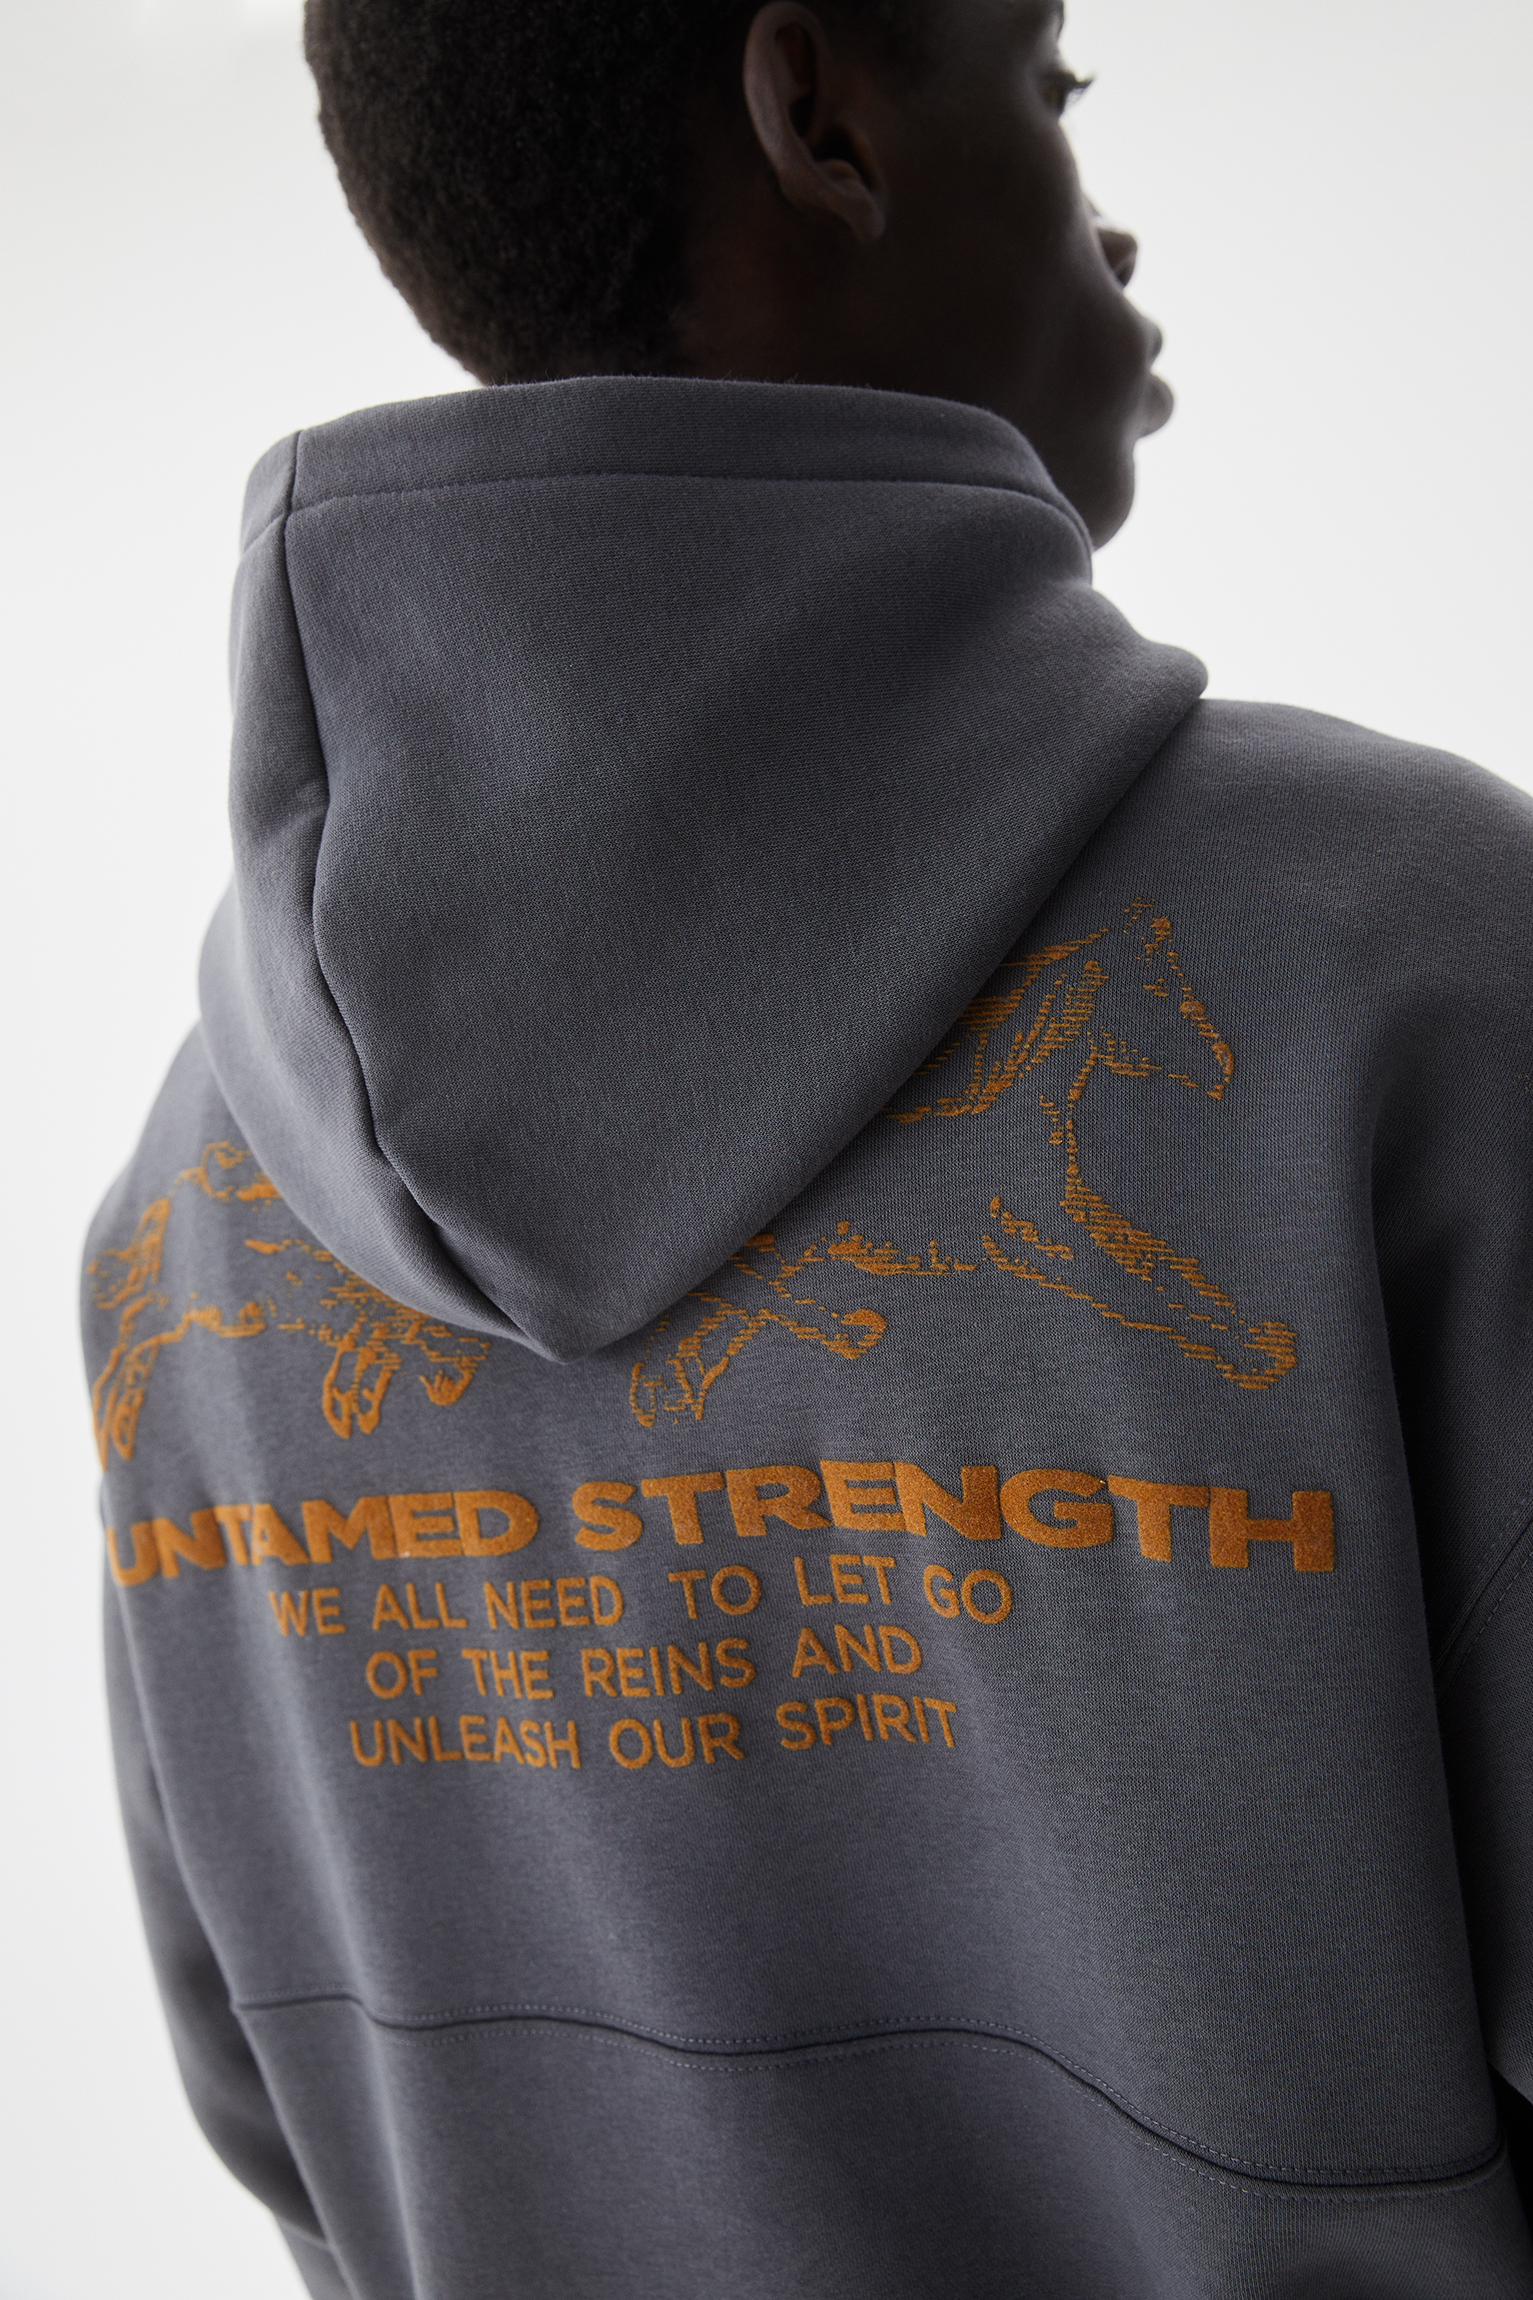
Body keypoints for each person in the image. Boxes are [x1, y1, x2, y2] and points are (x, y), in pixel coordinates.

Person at [81, 1, 1533, 2293]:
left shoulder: (189, 1217)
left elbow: (290, 2136)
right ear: (817, 121)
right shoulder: (1412, 969)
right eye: (1048, 93)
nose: (1105, 218)